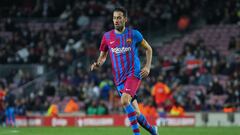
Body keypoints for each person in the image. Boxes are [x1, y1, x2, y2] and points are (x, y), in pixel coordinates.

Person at [91, 7, 158, 135]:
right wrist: (98, 63)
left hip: (133, 73)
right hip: (119, 78)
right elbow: (103, 55)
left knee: (124, 101)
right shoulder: (107, 37)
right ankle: (154, 131)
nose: (116, 20)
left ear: (125, 19)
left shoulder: (134, 34)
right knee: (136, 113)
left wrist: (147, 66)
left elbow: (149, 49)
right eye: (114, 18)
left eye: (119, 17)